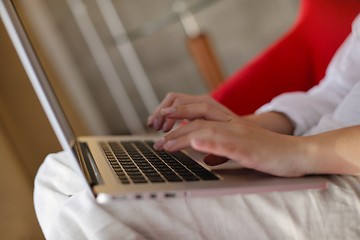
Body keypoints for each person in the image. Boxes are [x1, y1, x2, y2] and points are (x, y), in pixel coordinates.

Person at [34, 13, 360, 240]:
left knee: (95, 212)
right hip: (317, 149)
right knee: (62, 174)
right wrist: (246, 128)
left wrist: (296, 153)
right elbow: (336, 90)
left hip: (346, 176)